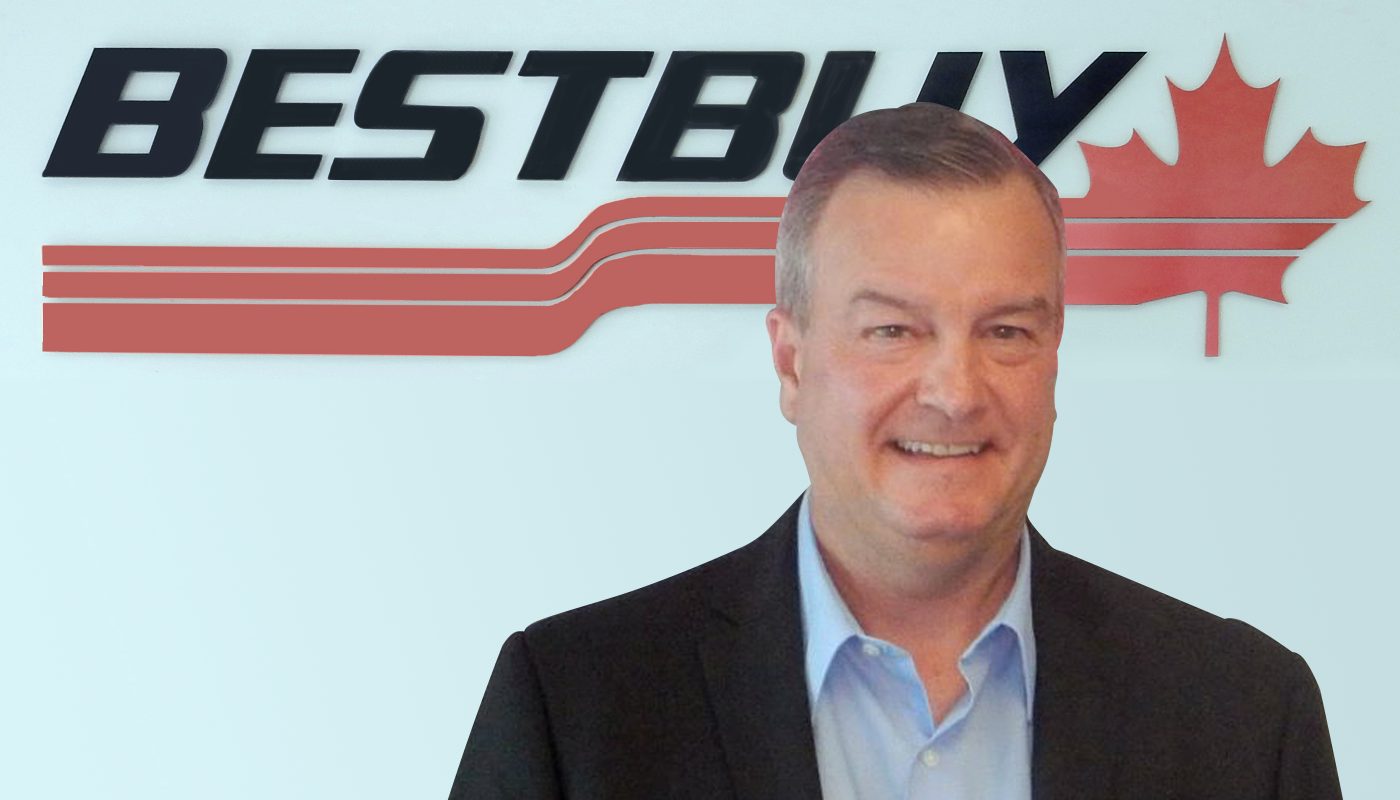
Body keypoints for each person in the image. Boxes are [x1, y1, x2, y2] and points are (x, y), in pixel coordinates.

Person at [448, 103, 1341, 799]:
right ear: (791, 363)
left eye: (1005, 331)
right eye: (892, 331)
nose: (955, 391)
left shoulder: (1244, 714)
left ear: (1054, 355)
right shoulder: (576, 707)